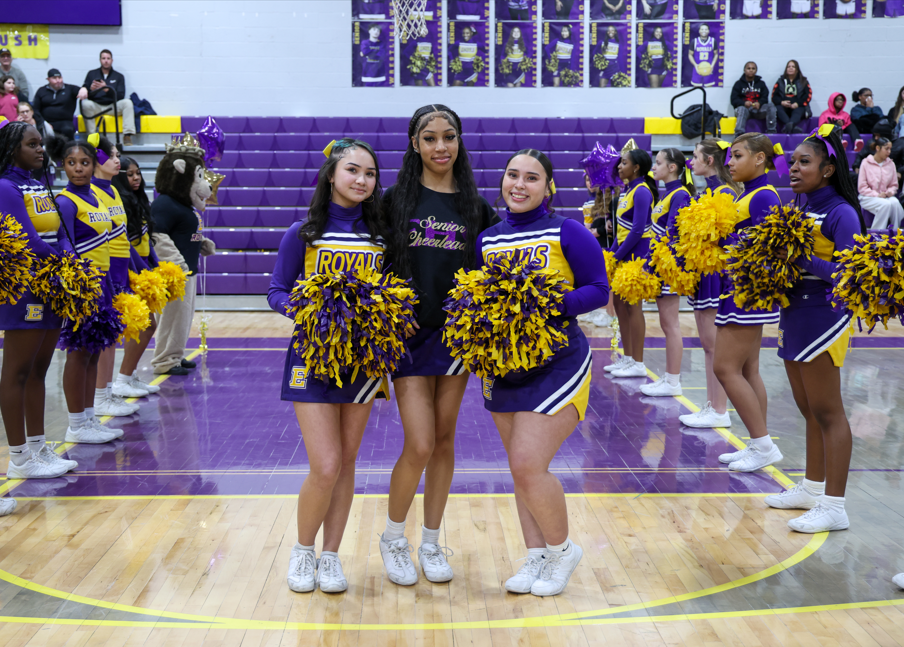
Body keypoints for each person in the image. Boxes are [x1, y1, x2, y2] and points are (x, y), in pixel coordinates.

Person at [480, 149, 608, 597]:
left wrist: (547, 306)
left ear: (548, 187)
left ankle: (562, 551)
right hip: (504, 364)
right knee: (522, 471)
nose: (519, 184)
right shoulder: (487, 239)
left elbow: (598, 290)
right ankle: (535, 556)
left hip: (558, 362)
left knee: (527, 463)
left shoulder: (567, 230)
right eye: (512, 175)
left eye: (531, 178)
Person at [379, 104, 497, 586]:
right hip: (408, 336)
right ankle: (393, 538)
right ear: (415, 144)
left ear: (459, 140)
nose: (440, 146)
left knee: (445, 441)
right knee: (420, 442)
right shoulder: (393, 201)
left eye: (449, 136)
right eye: (430, 138)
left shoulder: (476, 207)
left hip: (455, 339)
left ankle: (430, 542)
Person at [268, 138, 388, 594]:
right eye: (353, 170)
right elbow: (277, 291)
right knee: (326, 463)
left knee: (348, 462)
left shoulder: (381, 237)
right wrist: (310, 311)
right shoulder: (303, 232)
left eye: (370, 174)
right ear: (332, 175)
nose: (362, 179)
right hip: (312, 357)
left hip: (364, 361)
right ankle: (303, 550)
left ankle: (332, 555)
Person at [764, 126, 863, 533]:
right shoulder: (800, 209)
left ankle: (834, 506)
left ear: (827, 169)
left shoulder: (842, 213)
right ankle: (811, 488)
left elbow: (848, 274)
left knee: (828, 411)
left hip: (825, 316)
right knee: (807, 409)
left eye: (804, 162)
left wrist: (801, 258)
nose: (793, 168)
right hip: (795, 313)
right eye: (792, 162)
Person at [0, 122, 76, 501]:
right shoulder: (5, 186)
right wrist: (63, 261)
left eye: (40, 144)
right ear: (12, 148)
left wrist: (69, 256)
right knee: (17, 371)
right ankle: (18, 457)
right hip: (25, 287)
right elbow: (27, 239)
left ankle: (38, 447)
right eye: (31, 144)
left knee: (39, 370)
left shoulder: (39, 183)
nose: (40, 150)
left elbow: (58, 230)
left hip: (52, 283)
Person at [715, 133, 785, 472]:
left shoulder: (763, 196)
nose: (730, 162)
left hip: (747, 292)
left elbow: (767, 251)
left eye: (737, 155)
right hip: (740, 289)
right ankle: (758, 443)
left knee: (724, 368)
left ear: (759, 158)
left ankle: (763, 445)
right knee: (747, 370)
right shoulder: (749, 194)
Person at [48, 136, 123, 445]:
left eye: (84, 163)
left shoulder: (96, 196)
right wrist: (79, 274)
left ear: (94, 165)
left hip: (102, 282)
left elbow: (107, 241)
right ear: (62, 166)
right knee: (78, 354)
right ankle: (76, 424)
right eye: (71, 163)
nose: (78, 168)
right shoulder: (65, 201)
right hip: (82, 285)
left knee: (93, 353)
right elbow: (63, 240)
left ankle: (90, 418)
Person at [680, 139, 740, 429]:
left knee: (713, 346)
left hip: (716, 274)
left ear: (710, 160)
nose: (691, 162)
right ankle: (712, 405)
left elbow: (729, 239)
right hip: (703, 272)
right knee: (707, 344)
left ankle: (719, 409)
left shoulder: (725, 192)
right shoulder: (708, 192)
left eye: (695, 156)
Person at [90, 136, 144, 415]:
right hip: (106, 270)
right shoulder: (92, 192)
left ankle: (107, 392)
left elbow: (122, 237)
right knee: (104, 336)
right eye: (111, 155)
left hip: (121, 270)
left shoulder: (113, 190)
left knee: (112, 335)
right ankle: (100, 396)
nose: (117, 160)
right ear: (98, 159)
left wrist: (140, 269)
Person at [641, 148, 693, 398]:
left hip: (670, 267)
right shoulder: (669, 193)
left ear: (672, 167)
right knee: (666, 324)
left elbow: (673, 235)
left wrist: (652, 263)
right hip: (661, 264)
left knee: (671, 325)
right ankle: (670, 377)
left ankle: (673, 381)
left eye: (659, 162)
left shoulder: (680, 194)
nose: (654, 166)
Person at [606, 145, 657, 379]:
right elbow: (622, 231)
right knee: (619, 305)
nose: (619, 166)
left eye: (624, 163)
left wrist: (617, 256)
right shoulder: (627, 191)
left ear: (636, 167)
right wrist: (611, 254)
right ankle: (627, 358)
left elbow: (637, 231)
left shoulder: (642, 191)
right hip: (624, 252)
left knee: (633, 307)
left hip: (637, 255)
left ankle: (638, 362)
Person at [111, 157, 160, 397]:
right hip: (129, 270)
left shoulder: (140, 200)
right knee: (144, 325)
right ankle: (122, 380)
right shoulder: (120, 203)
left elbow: (146, 240)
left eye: (138, 173)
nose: (136, 178)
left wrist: (156, 265)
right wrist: (142, 269)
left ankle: (129, 376)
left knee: (146, 325)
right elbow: (126, 244)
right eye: (130, 174)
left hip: (142, 267)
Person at [579, 173, 614, 328]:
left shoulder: (609, 199)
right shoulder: (588, 201)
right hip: (593, 242)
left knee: (607, 278)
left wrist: (598, 231)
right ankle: (595, 310)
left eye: (592, 179)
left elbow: (610, 225)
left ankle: (608, 313)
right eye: (587, 180)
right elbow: (588, 224)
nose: (590, 183)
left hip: (605, 243)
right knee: (593, 278)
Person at [80, 50, 136, 145]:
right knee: (85, 104)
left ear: (112, 60)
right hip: (96, 106)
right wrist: (90, 90)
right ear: (100, 60)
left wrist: (106, 89)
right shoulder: (92, 74)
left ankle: (127, 135)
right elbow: (86, 93)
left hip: (112, 106)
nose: (106, 61)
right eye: (103, 58)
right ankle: (92, 137)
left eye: (108, 58)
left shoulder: (119, 76)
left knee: (127, 102)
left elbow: (121, 95)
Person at [857, 137, 903, 230]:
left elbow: (894, 185)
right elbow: (862, 187)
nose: (889, 152)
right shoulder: (865, 163)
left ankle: (895, 232)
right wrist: (877, 195)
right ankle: (876, 234)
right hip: (867, 197)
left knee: (896, 203)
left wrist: (890, 192)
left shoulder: (891, 164)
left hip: (886, 197)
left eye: (890, 149)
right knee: (885, 205)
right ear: (878, 148)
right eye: (886, 149)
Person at [32, 69, 81, 140]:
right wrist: (43, 122)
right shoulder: (41, 91)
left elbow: (83, 90)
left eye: (59, 78)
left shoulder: (70, 89)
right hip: (46, 122)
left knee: (68, 129)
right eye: (54, 78)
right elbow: (35, 109)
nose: (58, 80)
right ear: (48, 79)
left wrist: (84, 90)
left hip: (65, 121)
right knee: (42, 130)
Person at [730, 61, 776, 135]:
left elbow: (765, 97)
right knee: (742, 109)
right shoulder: (738, 84)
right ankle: (739, 134)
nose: (751, 70)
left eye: (753, 68)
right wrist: (744, 103)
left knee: (771, 106)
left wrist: (759, 103)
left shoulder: (761, 83)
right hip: (744, 110)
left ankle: (771, 132)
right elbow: (734, 100)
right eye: (748, 68)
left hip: (758, 110)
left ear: (756, 70)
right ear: (744, 70)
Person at [771, 60, 811, 134]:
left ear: (797, 69)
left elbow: (808, 96)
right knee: (778, 108)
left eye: (793, 66)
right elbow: (774, 96)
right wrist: (782, 102)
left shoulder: (803, 81)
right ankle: (790, 126)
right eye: (789, 66)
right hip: (784, 106)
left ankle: (790, 125)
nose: (790, 68)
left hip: (798, 106)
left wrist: (798, 104)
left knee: (799, 110)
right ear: (786, 69)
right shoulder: (780, 81)